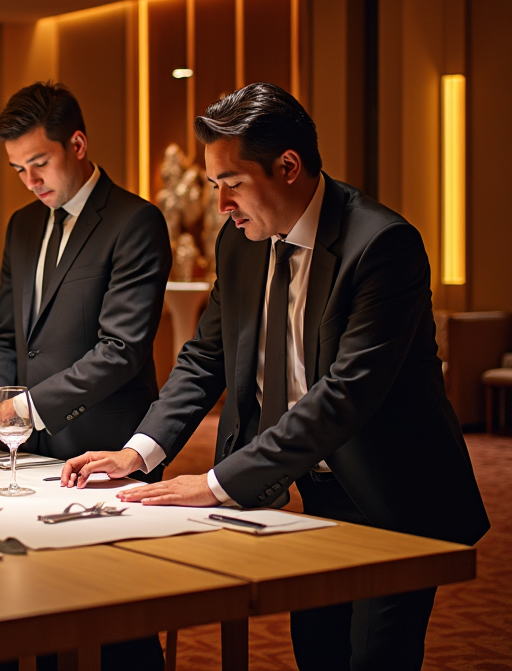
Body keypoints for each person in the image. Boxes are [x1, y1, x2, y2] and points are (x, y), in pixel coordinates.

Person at [61, 83, 490, 671]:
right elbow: (205, 357)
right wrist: (139, 451)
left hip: (394, 496)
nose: (221, 206)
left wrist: (213, 483)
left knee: (373, 659)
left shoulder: (383, 245)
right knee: (316, 651)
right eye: (214, 186)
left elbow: (343, 396)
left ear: (288, 167)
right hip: (313, 490)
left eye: (232, 184)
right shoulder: (242, 243)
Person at [0, 81, 171, 671]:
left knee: (112, 625)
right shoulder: (22, 226)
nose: (30, 180)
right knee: (23, 606)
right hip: (26, 448)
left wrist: (17, 410)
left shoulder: (135, 222)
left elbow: (120, 350)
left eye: (39, 163)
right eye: (18, 169)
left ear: (78, 144)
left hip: (105, 446)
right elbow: (7, 333)